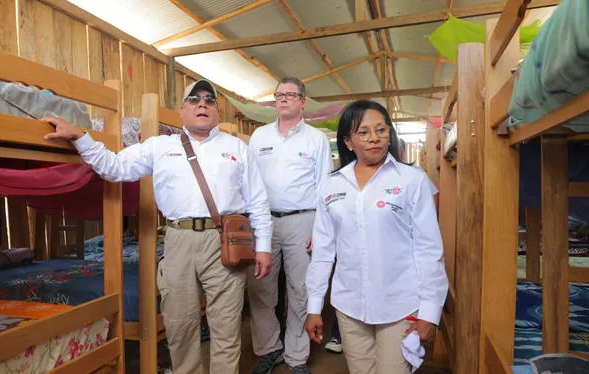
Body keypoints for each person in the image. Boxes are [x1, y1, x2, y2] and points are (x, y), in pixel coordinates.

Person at [43, 79, 273, 374]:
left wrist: (264, 248)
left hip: (224, 241)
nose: (202, 103)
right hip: (178, 240)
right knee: (179, 326)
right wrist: (80, 136)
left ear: (216, 111)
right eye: (194, 99)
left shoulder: (238, 149)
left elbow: (258, 201)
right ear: (182, 111)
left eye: (209, 99)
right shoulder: (160, 146)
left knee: (227, 328)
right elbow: (114, 167)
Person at [305, 100, 448, 374]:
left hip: (401, 304)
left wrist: (430, 313)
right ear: (348, 141)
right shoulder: (332, 185)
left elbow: (428, 249)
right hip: (349, 305)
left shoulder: (411, 180)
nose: (374, 138)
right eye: (363, 132)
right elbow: (323, 252)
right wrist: (314, 307)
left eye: (381, 130)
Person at [247, 77, 332, 374]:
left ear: (302, 102)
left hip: (303, 220)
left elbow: (325, 188)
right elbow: (248, 183)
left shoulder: (316, 140)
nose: (283, 99)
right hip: (264, 221)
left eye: (290, 95)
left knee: (301, 288)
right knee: (260, 286)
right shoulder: (258, 137)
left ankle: (296, 356)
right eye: (278, 95)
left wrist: (319, 229)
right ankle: (270, 349)